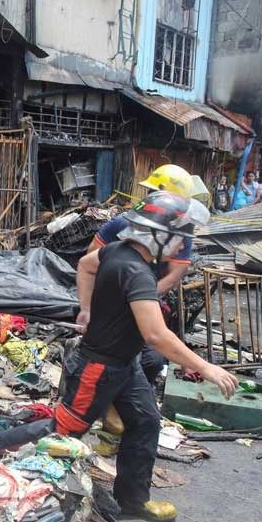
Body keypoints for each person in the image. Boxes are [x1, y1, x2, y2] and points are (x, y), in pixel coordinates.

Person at [0, 192, 238, 522]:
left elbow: (86, 265)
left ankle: (133, 501)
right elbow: (156, 335)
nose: (180, 246)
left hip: (124, 363)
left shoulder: (119, 250)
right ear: (157, 235)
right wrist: (205, 367)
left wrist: (87, 310)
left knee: (145, 421)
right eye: (178, 239)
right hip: (98, 368)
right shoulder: (137, 272)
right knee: (65, 429)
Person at [88, 164, 196, 384]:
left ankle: (127, 394)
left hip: (146, 302)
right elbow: (89, 260)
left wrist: (141, 296)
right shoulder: (122, 223)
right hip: (113, 305)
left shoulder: (179, 234)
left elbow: (174, 276)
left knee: (152, 360)